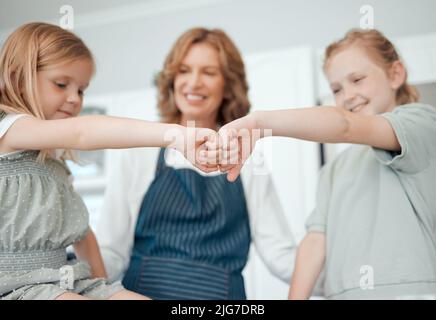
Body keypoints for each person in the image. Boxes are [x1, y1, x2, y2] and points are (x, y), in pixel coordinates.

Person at [211, 29, 436, 299]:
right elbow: (315, 242)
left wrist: (259, 123)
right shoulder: (336, 169)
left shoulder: (420, 124)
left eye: (358, 79)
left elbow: (344, 126)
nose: (348, 95)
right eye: (337, 89)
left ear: (395, 74)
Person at [0, 22, 215, 300]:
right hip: (15, 286)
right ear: (19, 78)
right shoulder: (10, 129)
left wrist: (105, 290)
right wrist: (177, 135)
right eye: (62, 84)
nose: (74, 98)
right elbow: (82, 132)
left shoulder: (55, 169)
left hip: (64, 280)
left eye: (81, 90)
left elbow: (83, 235)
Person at [96, 27, 296, 300]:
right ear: (171, 79)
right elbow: (111, 253)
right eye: (184, 70)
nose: (194, 82)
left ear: (227, 86)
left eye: (209, 72)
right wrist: (61, 279)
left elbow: (279, 254)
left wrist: (346, 277)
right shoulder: (140, 152)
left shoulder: (247, 159)